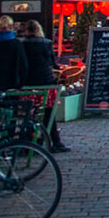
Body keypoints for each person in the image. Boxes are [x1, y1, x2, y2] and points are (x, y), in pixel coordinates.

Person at [22, 20, 69, 153]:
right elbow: (52, 62)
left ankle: (27, 141)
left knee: (28, 113)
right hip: (46, 82)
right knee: (48, 113)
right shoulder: (46, 43)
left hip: (28, 83)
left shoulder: (22, 44)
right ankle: (55, 142)